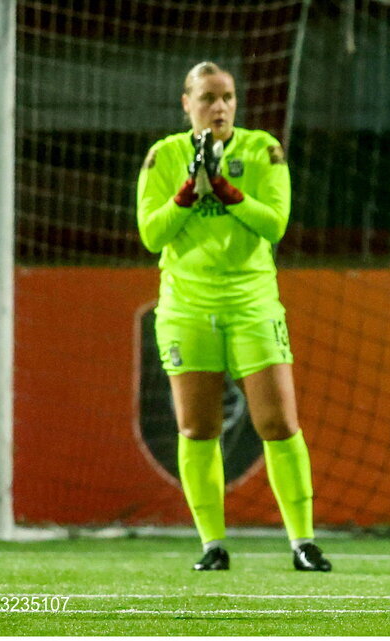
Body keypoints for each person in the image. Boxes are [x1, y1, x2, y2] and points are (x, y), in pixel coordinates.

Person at [136, 61, 331, 573]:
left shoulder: (261, 149)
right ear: (187, 104)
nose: (219, 107)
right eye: (207, 98)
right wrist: (187, 193)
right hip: (186, 307)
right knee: (197, 429)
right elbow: (151, 235)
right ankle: (212, 545)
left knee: (279, 423)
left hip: (252, 304)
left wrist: (225, 190)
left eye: (226, 97)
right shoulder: (165, 156)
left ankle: (303, 542)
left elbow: (276, 225)